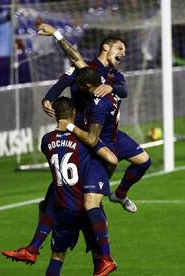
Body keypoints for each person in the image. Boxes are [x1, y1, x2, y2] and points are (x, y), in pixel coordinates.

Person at [38, 22, 151, 213]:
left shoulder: (115, 76)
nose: (123, 53)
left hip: (112, 133)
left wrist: (112, 87)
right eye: (120, 48)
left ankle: (120, 194)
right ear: (106, 47)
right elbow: (61, 83)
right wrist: (48, 99)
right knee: (75, 184)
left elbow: (123, 91)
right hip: (87, 133)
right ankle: (55, 207)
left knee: (144, 161)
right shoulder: (83, 69)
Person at [3, 97, 118, 276]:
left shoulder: (46, 140)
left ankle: (33, 247)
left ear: (55, 115)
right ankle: (106, 257)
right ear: (74, 113)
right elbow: (110, 159)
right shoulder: (83, 139)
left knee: (57, 256)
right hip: (88, 205)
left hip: (64, 208)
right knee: (98, 257)